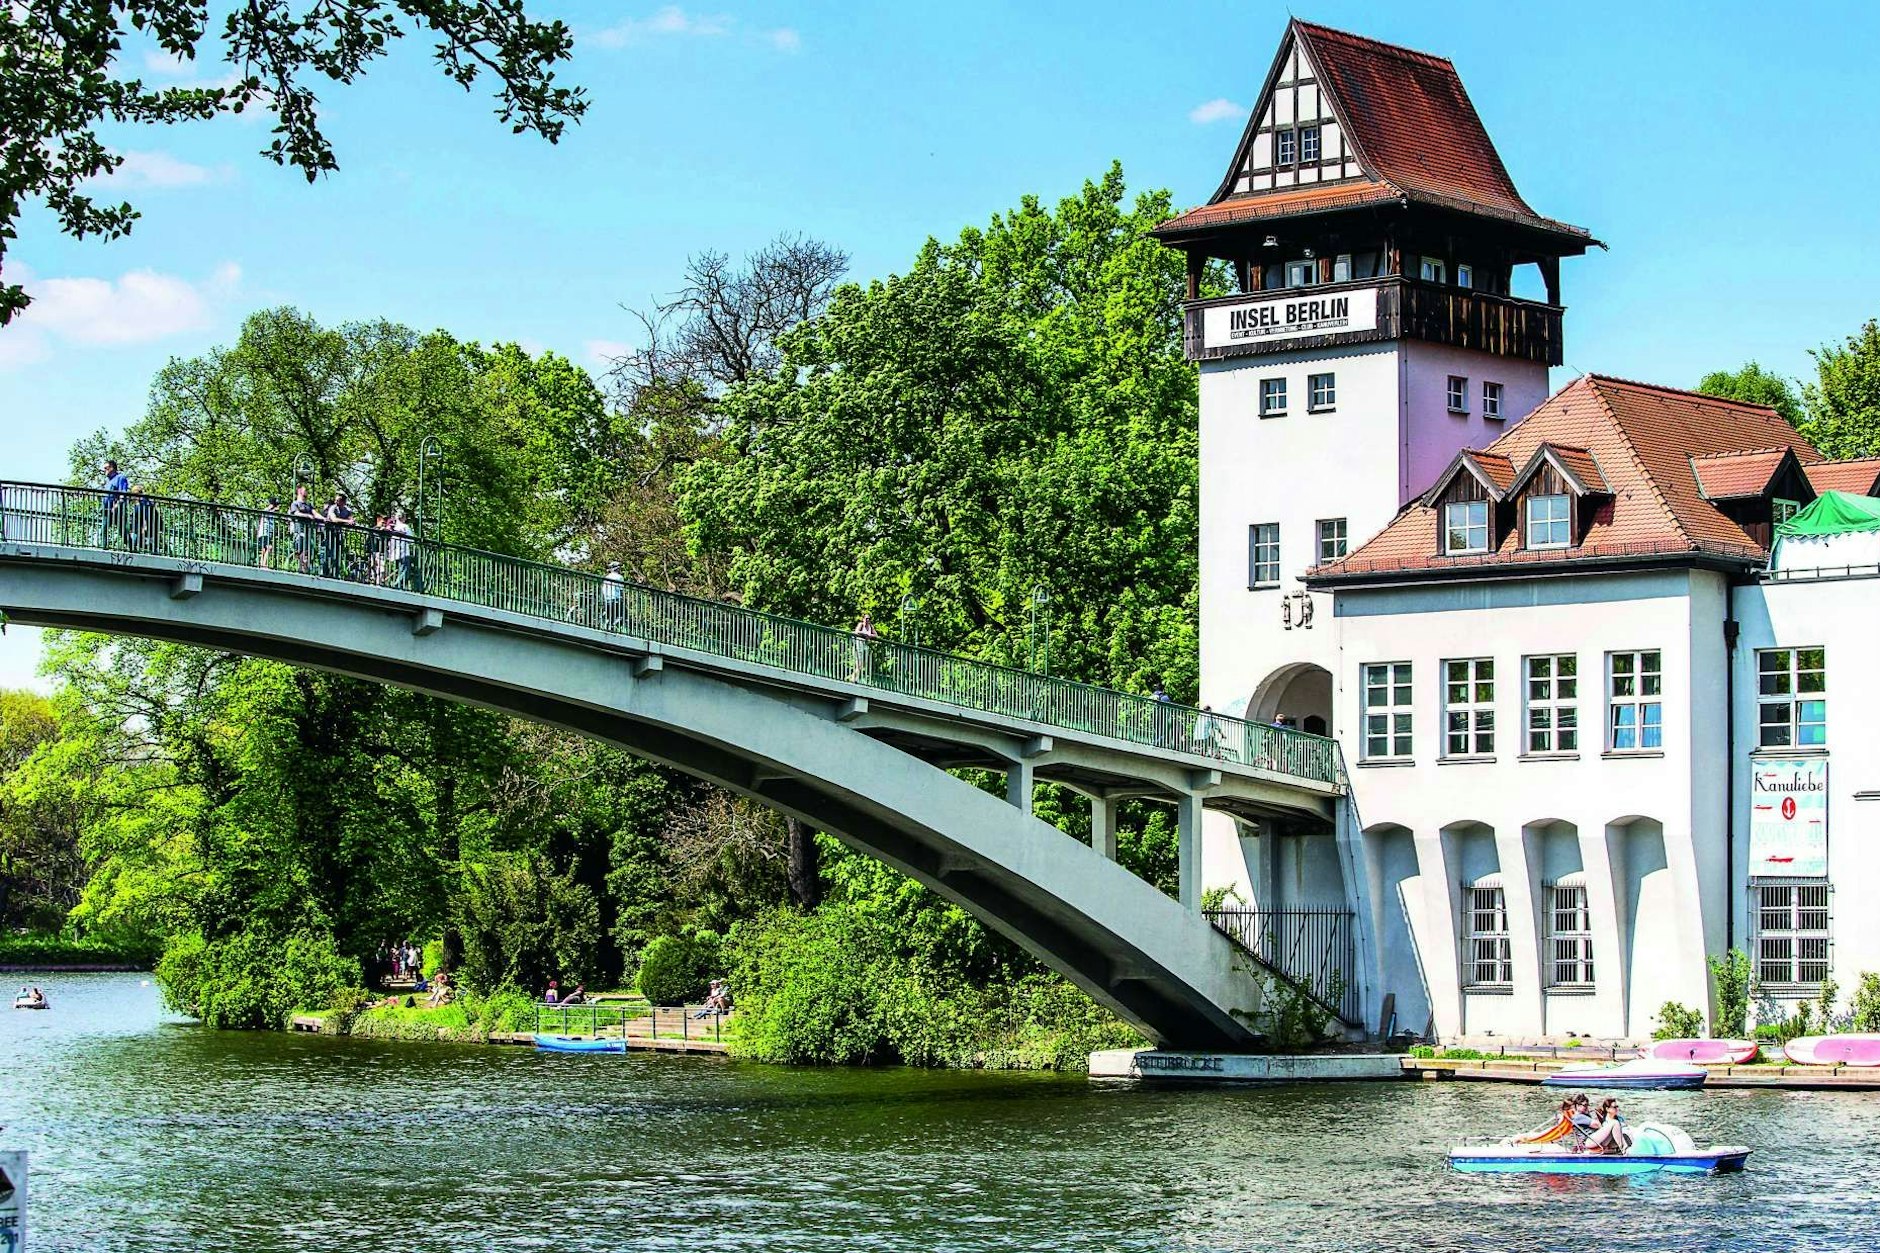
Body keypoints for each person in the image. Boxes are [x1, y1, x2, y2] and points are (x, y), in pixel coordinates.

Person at [321, 491, 355, 578]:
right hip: (329, 533)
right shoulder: (333, 508)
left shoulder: (347, 510)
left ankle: (335, 573)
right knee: (328, 553)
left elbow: (352, 520)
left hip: (338, 534)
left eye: (339, 500)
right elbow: (334, 519)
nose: (336, 502)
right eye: (336, 500)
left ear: (343, 502)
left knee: (338, 554)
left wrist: (351, 521)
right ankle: (325, 573)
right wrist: (347, 521)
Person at [99, 459, 131, 547]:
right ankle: (103, 548)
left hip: (117, 511)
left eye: (106, 468)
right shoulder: (108, 481)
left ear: (112, 468)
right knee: (103, 530)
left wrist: (117, 505)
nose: (104, 470)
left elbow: (123, 493)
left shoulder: (120, 478)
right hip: (107, 510)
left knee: (123, 532)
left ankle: (132, 548)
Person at [288, 485, 317, 573]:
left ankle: (305, 569)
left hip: (308, 531)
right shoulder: (295, 503)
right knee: (300, 550)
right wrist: (307, 516)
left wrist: (324, 519)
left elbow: (315, 513)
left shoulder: (309, 505)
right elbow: (296, 513)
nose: (307, 492)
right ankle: (300, 569)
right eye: (305, 490)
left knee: (307, 551)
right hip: (299, 530)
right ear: (300, 492)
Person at [851, 612, 878, 681]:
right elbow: (856, 631)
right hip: (858, 645)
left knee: (862, 664)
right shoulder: (861, 625)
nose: (867, 620)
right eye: (866, 618)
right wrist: (864, 634)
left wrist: (869, 636)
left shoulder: (870, 626)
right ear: (863, 619)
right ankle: (854, 679)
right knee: (859, 663)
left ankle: (855, 678)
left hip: (864, 646)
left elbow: (875, 635)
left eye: (869, 619)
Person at [601, 561, 627, 628]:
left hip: (607, 600)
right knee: (624, 614)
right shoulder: (620, 577)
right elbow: (621, 590)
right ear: (617, 569)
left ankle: (609, 625)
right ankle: (615, 624)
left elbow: (603, 589)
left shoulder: (607, 577)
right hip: (616, 600)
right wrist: (624, 599)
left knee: (611, 615)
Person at [256, 498, 280, 568]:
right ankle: (264, 565)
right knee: (269, 547)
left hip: (266, 533)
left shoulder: (272, 512)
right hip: (264, 532)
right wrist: (273, 508)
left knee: (264, 549)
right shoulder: (267, 510)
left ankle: (261, 564)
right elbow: (265, 512)